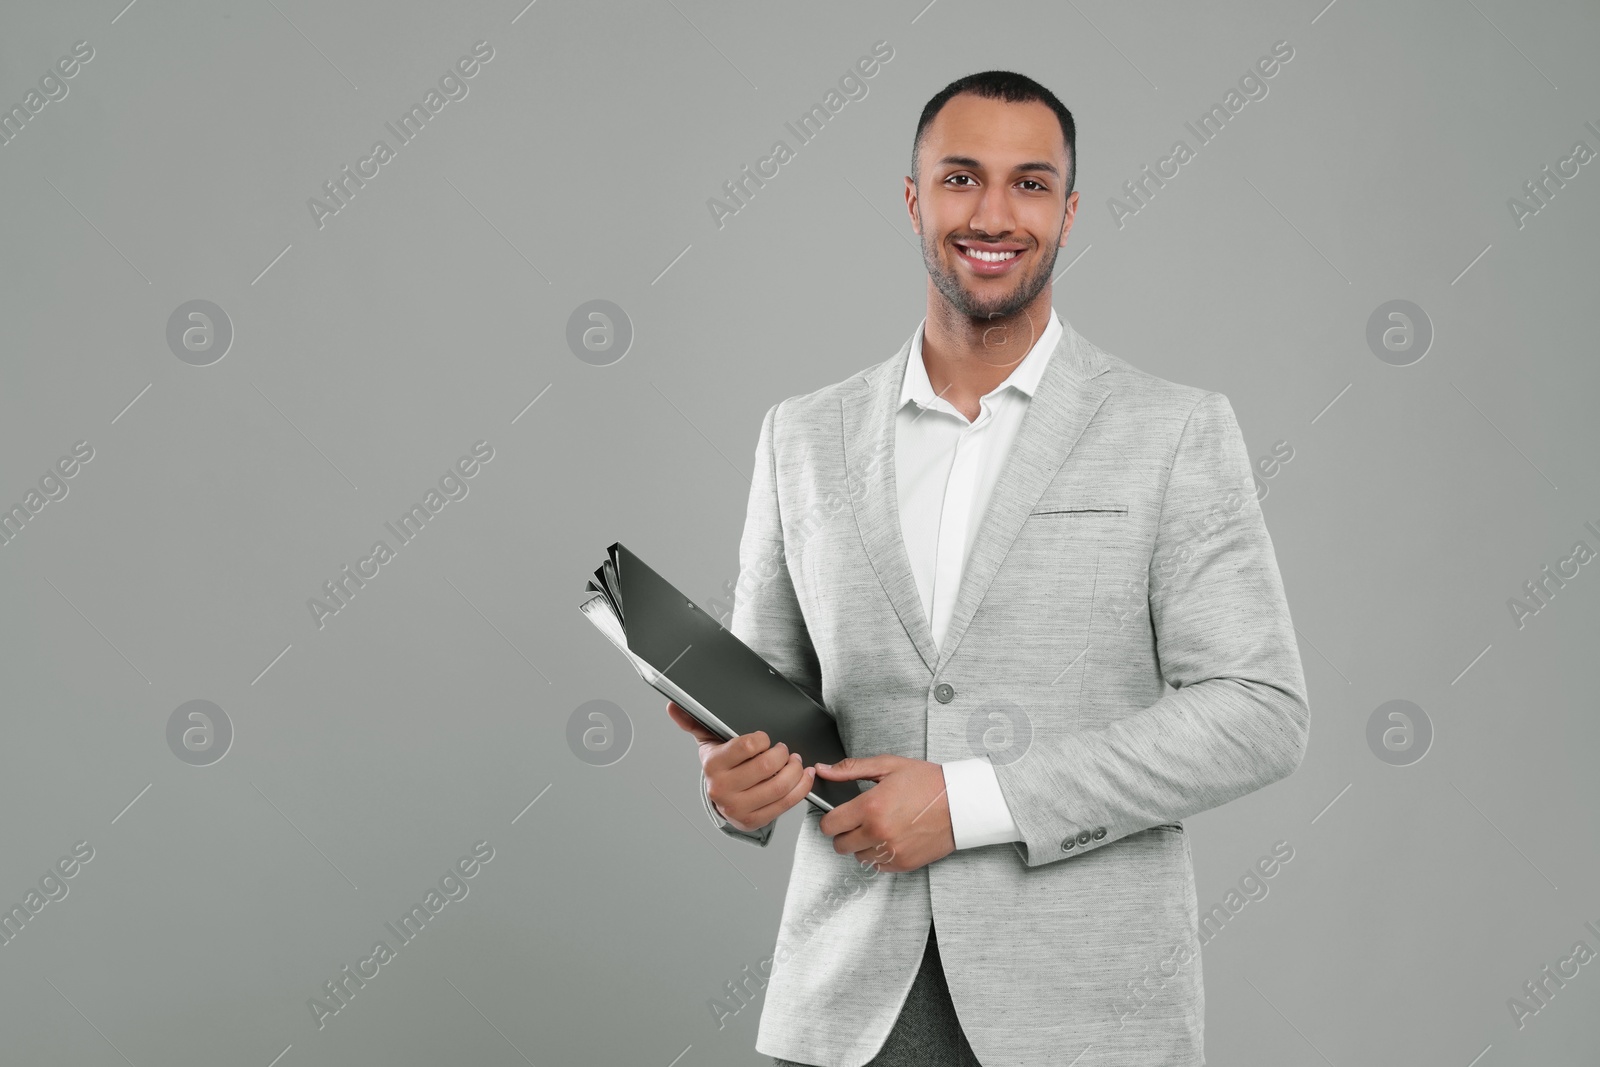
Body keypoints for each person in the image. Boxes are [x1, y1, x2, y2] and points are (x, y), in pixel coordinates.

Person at [667, 69, 1310, 1067]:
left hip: (1087, 1014)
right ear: (914, 198)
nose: (994, 213)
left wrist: (970, 802)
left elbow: (1259, 709)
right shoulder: (801, 436)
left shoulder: (1172, 432)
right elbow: (773, 699)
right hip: (845, 1007)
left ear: (1068, 209)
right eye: (961, 178)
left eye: (1030, 183)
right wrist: (733, 786)